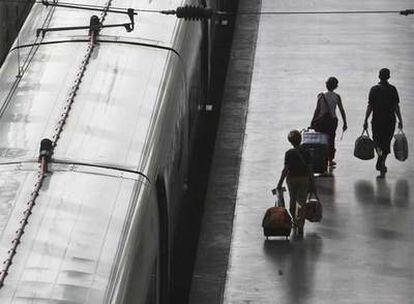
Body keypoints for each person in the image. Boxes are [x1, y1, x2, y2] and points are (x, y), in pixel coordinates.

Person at [363, 68, 403, 178]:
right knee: (386, 142)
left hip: (377, 121)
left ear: (379, 76)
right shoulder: (393, 89)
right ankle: (382, 161)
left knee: (377, 142)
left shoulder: (374, 89)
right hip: (390, 121)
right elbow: (396, 107)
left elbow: (370, 106)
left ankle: (380, 157)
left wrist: (365, 119)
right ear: (388, 77)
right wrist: (400, 120)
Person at [276, 130, 315, 236]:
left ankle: (294, 220)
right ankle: (300, 225)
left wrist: (279, 183)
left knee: (292, 200)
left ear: (291, 142)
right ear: (300, 139)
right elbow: (310, 169)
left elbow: (285, 170)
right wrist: (313, 183)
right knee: (301, 202)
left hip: (292, 179)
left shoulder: (289, 153)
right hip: (304, 179)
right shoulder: (307, 152)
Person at [311, 77, 348, 168]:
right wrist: (345, 122)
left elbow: (317, 110)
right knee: (331, 140)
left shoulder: (320, 95)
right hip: (332, 121)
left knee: (321, 140)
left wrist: (312, 121)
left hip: (321, 121)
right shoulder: (337, 96)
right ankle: (330, 160)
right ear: (336, 86)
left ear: (326, 84)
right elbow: (341, 110)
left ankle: (321, 158)